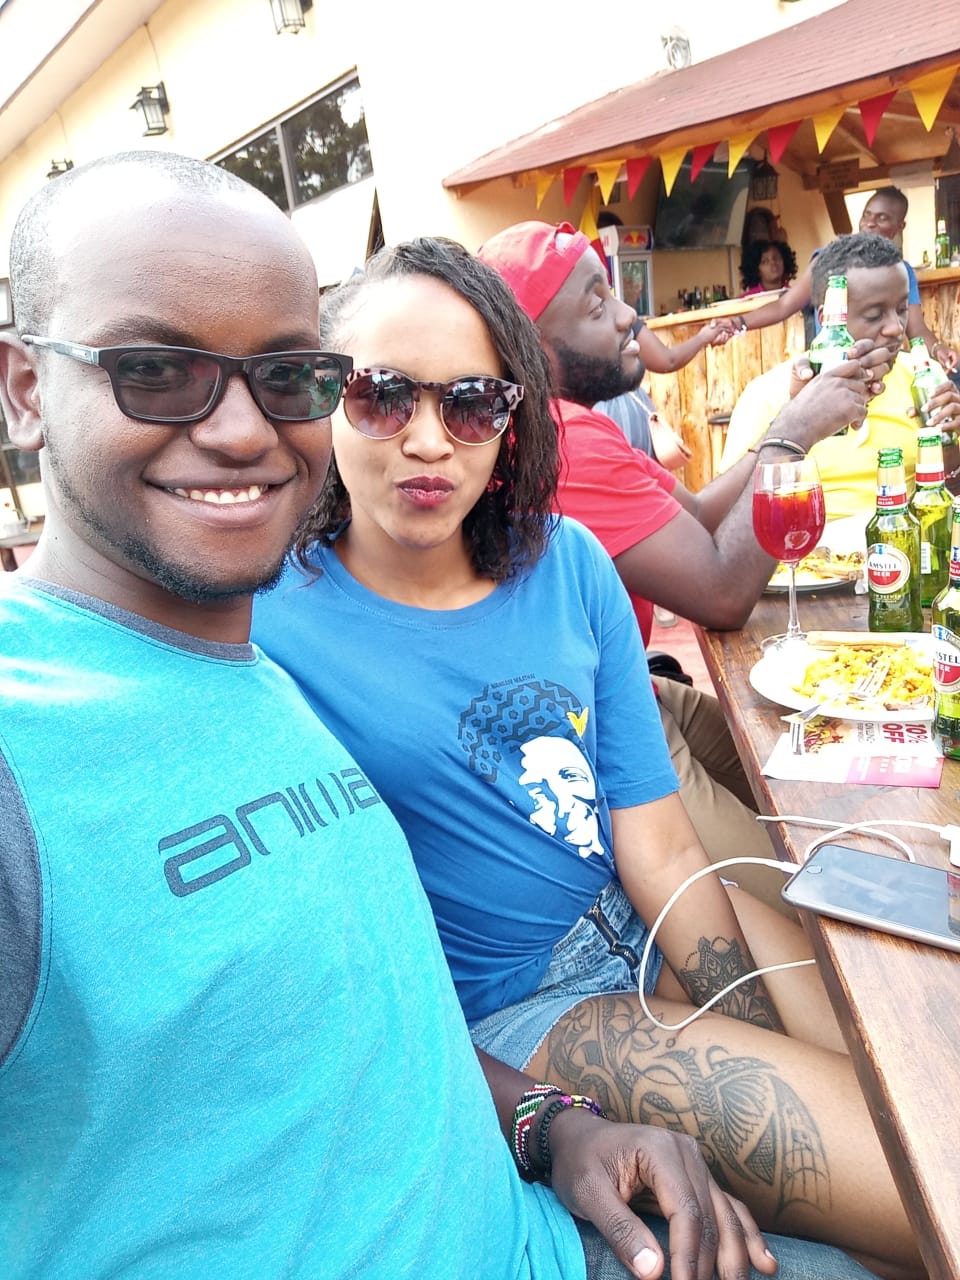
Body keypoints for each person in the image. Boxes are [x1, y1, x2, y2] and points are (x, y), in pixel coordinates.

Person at [0, 151, 807, 1280]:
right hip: (540, 1010)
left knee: (896, 1054)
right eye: (156, 370)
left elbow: (389, 1016)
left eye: (287, 376)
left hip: (561, 1146)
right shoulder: (196, 650)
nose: (239, 430)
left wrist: (552, 1127)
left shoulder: (250, 663)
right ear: (26, 387)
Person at [252, 234, 917, 1279]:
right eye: (383, 395)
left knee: (921, 1072)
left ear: (511, 414)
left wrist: (745, 1027)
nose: (428, 440)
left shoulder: (566, 562)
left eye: (471, 403)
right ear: (328, 394)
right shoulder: (263, 626)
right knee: (923, 1171)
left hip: (648, 915)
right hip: (524, 1004)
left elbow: (658, 843)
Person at [474, 220, 887, 911]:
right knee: (808, 892)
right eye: (597, 303)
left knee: (815, 772)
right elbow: (722, 594)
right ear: (535, 349)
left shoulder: (575, 424)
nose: (629, 316)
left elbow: (698, 516)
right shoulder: (559, 444)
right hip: (596, 733)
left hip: (631, 690)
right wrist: (793, 438)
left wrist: (789, 420)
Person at [721, 232, 960, 510]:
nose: (896, 328)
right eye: (874, 315)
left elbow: (946, 490)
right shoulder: (767, 395)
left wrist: (951, 439)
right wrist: (796, 422)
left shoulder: (923, 379)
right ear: (828, 319)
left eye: (901, 309)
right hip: (809, 536)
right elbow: (728, 513)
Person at [737, 187, 959, 371]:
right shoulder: (831, 260)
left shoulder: (902, 272)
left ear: (900, 227)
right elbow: (784, 305)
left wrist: (938, 349)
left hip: (883, 371)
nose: (870, 223)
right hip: (833, 369)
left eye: (882, 218)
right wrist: (739, 323)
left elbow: (916, 329)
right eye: (866, 215)